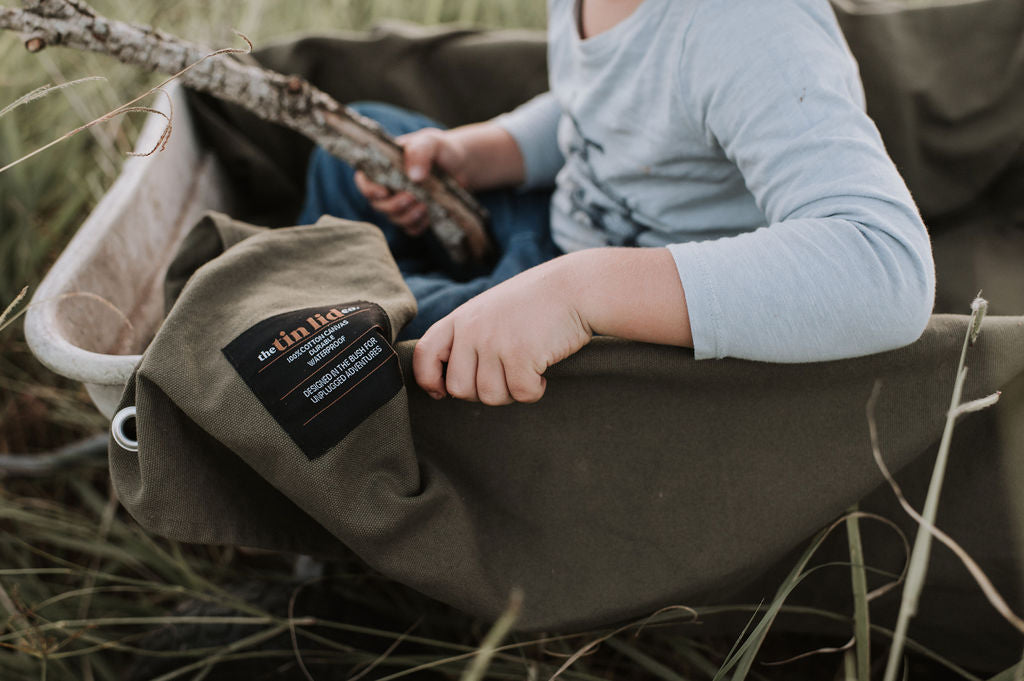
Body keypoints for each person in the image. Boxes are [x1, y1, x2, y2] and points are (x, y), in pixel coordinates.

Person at [298, 0, 935, 407]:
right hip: (557, 230)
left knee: (349, 332)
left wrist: (578, 292)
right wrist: (481, 153)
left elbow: (884, 264)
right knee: (351, 150)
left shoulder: (750, 25)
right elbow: (600, 112)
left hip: (631, 309)